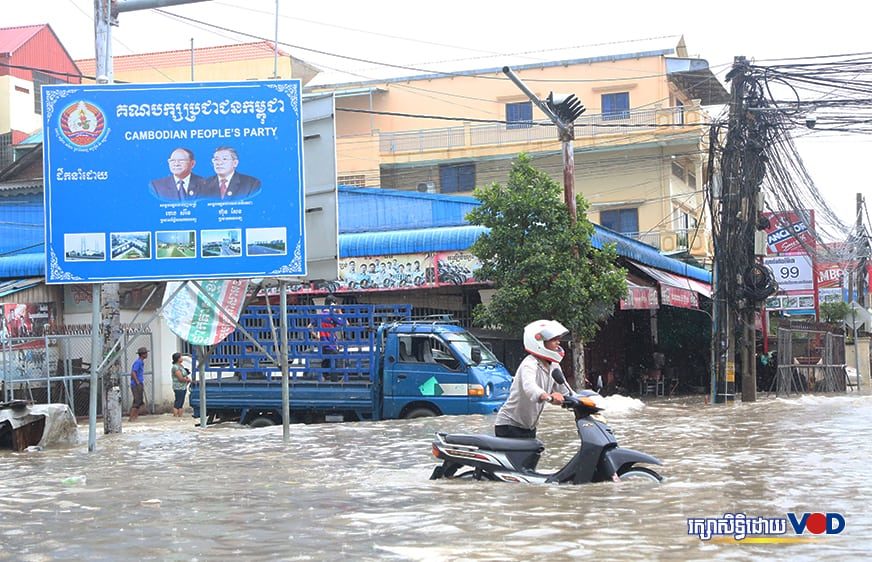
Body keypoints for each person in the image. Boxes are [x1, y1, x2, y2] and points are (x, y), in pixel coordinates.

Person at [494, 320, 567, 439]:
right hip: (509, 426)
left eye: (558, 339)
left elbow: (565, 391)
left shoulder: (554, 366)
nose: (558, 343)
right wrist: (548, 397)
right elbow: (530, 387)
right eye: (554, 340)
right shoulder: (529, 364)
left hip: (529, 427)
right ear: (539, 343)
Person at [318, 295, 346, 380]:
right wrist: (340, 311)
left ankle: (325, 379)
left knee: (326, 362)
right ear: (332, 304)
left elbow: (309, 327)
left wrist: (318, 336)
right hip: (331, 344)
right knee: (335, 362)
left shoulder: (319, 315)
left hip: (322, 344)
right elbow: (345, 323)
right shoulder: (332, 315)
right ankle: (335, 381)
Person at [129, 346, 148, 421]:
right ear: (142, 354)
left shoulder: (141, 362)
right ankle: (132, 418)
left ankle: (135, 417)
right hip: (136, 384)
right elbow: (133, 372)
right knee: (137, 402)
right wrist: (137, 382)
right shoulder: (138, 362)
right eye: (146, 353)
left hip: (138, 383)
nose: (147, 355)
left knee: (138, 401)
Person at [170, 352, 191, 417]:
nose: (182, 358)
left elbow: (184, 375)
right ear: (178, 359)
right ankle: (175, 416)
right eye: (181, 357)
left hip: (183, 386)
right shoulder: (175, 367)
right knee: (178, 402)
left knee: (181, 402)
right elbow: (180, 378)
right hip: (178, 387)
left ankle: (180, 417)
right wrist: (188, 380)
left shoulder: (181, 366)